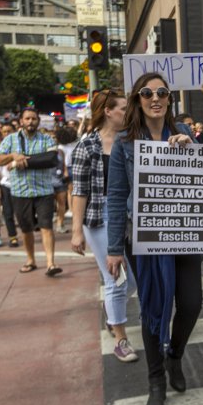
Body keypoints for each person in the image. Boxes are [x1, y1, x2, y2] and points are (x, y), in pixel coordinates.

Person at [106, 73, 203, 405]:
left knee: (191, 304)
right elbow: (116, 195)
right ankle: (156, 380)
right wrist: (113, 248)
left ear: (169, 99)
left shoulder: (185, 132)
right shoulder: (125, 142)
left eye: (162, 92)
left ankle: (174, 355)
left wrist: (191, 149)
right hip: (145, 239)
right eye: (147, 93)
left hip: (185, 234)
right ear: (138, 100)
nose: (155, 98)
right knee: (153, 308)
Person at [71, 89, 139, 363]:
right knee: (116, 279)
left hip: (129, 215)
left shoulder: (131, 141)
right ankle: (120, 339)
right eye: (123, 108)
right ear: (108, 112)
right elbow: (79, 191)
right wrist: (77, 231)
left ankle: (113, 315)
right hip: (100, 216)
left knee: (132, 281)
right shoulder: (87, 146)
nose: (128, 112)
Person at [0, 108, 63, 276]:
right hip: (20, 191)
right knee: (26, 229)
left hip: (44, 190)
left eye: (34, 118)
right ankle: (31, 260)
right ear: (21, 121)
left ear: (38, 121)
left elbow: (51, 159)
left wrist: (23, 161)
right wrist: (13, 157)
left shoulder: (46, 139)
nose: (30, 121)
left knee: (46, 226)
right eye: (27, 119)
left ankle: (50, 263)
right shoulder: (11, 139)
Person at [0, 123, 19, 247]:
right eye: (4, 132)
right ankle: (12, 237)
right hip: (6, 184)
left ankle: (27, 232)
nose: (7, 134)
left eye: (9, 131)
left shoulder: (21, 146)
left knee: (22, 213)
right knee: (8, 212)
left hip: (20, 183)